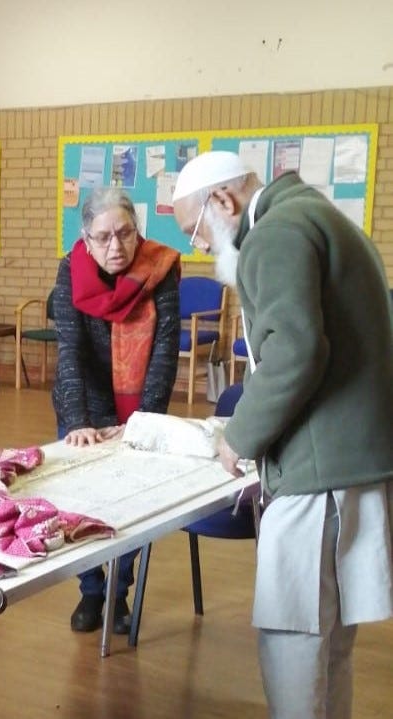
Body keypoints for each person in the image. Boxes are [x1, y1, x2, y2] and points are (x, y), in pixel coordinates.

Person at [172, 151, 393, 719]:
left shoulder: (274, 234)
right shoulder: (320, 215)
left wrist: (239, 437)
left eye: (193, 230)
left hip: (318, 470)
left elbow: (295, 352)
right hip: (357, 460)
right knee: (332, 642)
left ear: (223, 201)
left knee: (293, 639)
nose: (198, 247)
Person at [52, 187, 181, 634]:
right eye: (103, 236)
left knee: (134, 503)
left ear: (138, 232)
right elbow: (70, 350)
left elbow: (165, 353)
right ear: (86, 239)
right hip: (85, 398)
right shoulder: (70, 271)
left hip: (139, 403)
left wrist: (143, 423)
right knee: (81, 500)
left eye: (125, 234)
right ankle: (90, 590)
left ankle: (119, 592)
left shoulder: (159, 268)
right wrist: (79, 422)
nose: (116, 246)